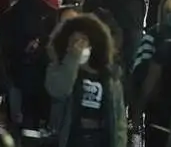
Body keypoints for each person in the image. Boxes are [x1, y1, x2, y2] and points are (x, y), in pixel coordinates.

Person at [45, 14, 127, 147]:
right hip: (71, 138)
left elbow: (119, 119)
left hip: (100, 138)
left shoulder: (108, 76)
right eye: (74, 41)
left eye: (83, 41)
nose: (79, 46)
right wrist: (72, 59)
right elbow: (58, 90)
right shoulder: (58, 68)